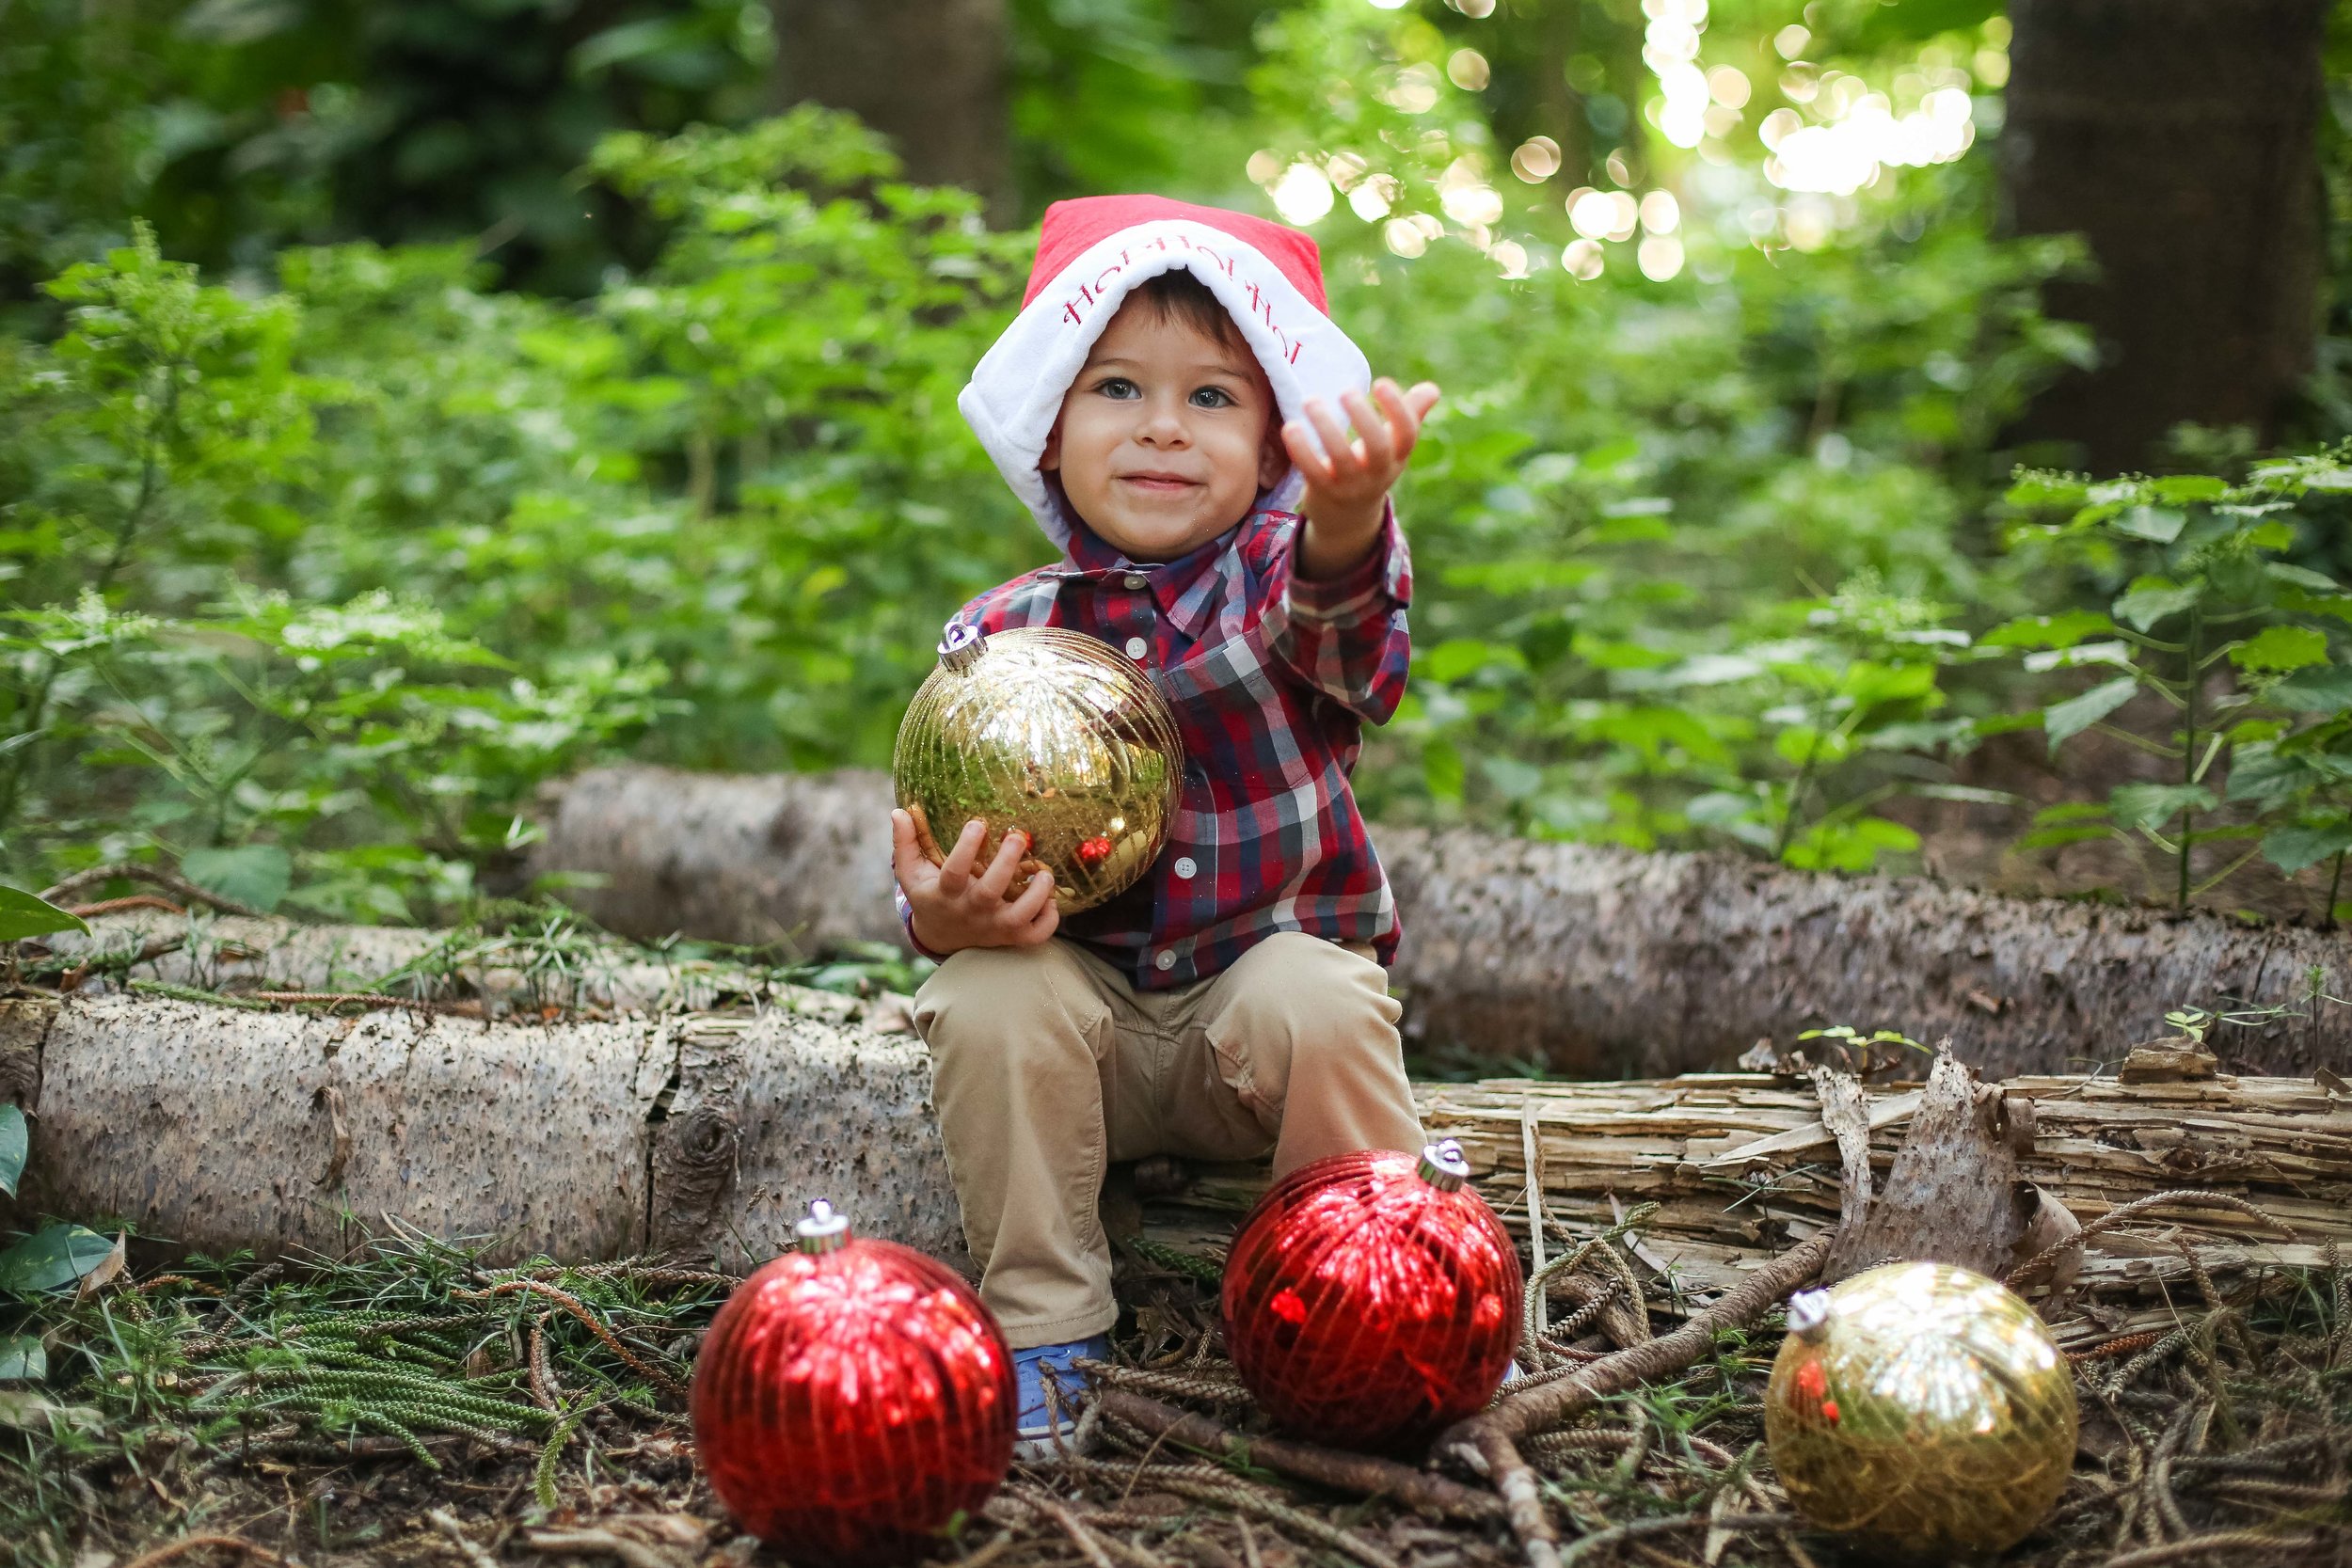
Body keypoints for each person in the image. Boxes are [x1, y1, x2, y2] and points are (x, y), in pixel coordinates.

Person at [891, 195, 1439, 1454]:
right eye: (1117, 387)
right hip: (1078, 1035)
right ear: (1049, 427)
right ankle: (1044, 1325)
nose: (1160, 429)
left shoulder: (1279, 578)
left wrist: (1350, 516)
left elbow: (1353, 644)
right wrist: (940, 911)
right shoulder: (1003, 636)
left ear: (1275, 440)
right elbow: (937, 842)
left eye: (1212, 399)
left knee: (1325, 996)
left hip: (1254, 1027)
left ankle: (1369, 1286)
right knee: (987, 994)